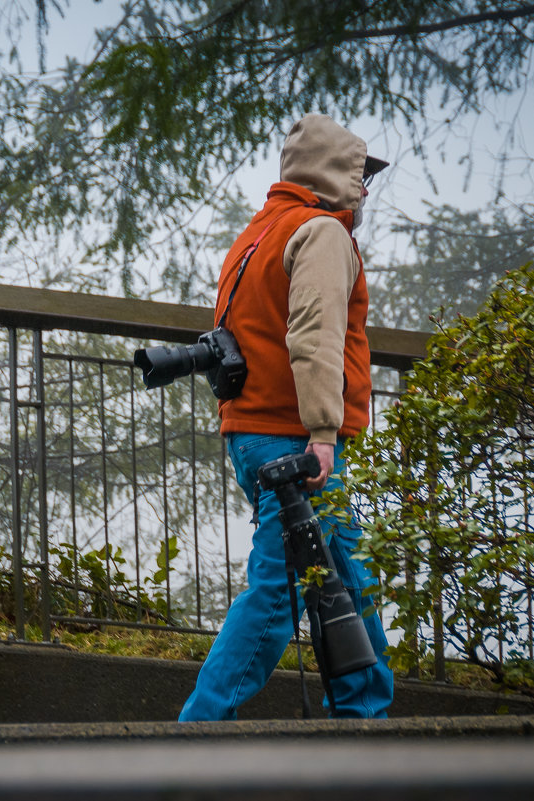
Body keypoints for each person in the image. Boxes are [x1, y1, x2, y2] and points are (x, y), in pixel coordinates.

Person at [178, 114, 394, 721]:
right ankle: (194, 734)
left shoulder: (257, 234)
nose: (366, 189)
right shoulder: (321, 231)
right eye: (360, 175)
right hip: (295, 439)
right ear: (332, 175)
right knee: (278, 592)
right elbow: (313, 337)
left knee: (346, 576)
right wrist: (323, 435)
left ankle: (364, 714)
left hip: (253, 432)